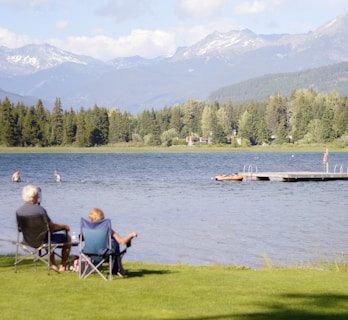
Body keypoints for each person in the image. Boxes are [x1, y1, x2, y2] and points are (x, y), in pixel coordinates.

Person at [16, 184, 71, 272]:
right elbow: (52, 227)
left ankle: (53, 264)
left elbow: (19, 228)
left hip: (27, 241)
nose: (38, 197)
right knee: (67, 238)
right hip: (43, 240)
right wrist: (64, 226)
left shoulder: (19, 211)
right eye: (37, 195)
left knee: (47, 237)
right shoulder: (40, 210)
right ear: (32, 197)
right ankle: (63, 265)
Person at [88, 207, 137, 277]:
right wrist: (131, 235)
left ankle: (119, 269)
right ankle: (120, 270)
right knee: (115, 244)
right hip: (104, 256)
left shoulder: (87, 229)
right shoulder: (107, 229)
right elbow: (122, 242)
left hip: (90, 255)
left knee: (113, 244)